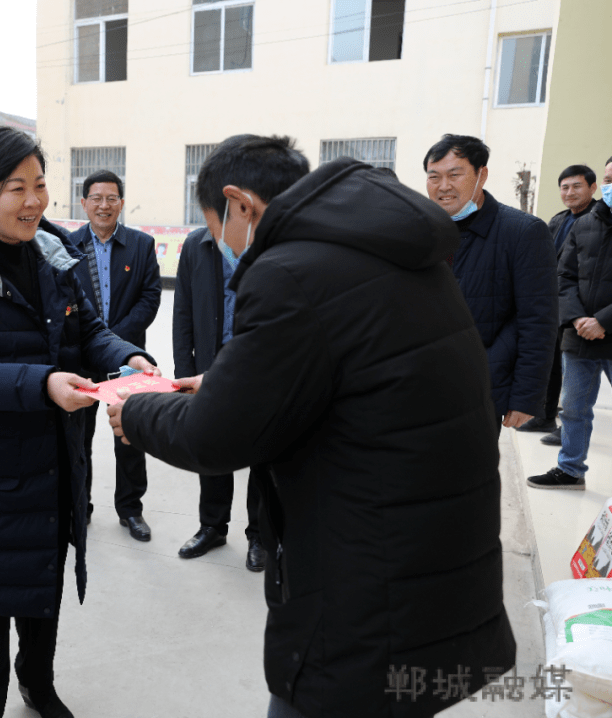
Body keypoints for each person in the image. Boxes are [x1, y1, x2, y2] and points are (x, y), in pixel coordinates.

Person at [107, 135, 516, 717]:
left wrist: (137, 409)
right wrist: (226, 383)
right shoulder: (390, 248)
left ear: (239, 204)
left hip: (366, 592)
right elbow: (348, 376)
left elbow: (213, 438)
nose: (223, 247)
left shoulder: (290, 271)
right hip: (440, 575)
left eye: (217, 228)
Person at [0, 126, 157, 718]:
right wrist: (43, 384)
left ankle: (38, 684)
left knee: (42, 585)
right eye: (15, 188)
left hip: (52, 459)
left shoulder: (54, 253)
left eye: (40, 184)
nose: (33, 201)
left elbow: (89, 330)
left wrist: (124, 356)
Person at [424, 134, 557, 432]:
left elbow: (538, 321)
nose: (443, 186)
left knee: (463, 475)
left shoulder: (522, 232)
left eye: (454, 175)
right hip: (421, 385)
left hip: (480, 387)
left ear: (481, 174)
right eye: (434, 177)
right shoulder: (422, 232)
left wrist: (526, 396)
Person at [69, 170, 161, 540]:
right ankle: (80, 507)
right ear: (84, 203)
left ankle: (131, 509)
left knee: (130, 435)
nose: (103, 205)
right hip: (79, 359)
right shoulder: (67, 245)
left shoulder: (141, 245)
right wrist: (90, 341)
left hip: (128, 359)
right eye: (96, 198)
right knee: (79, 438)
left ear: (121, 203)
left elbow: (150, 297)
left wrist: (111, 341)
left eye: (111, 198)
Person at [172, 224, 264, 570]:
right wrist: (184, 370)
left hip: (260, 362)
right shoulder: (198, 244)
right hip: (209, 363)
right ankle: (212, 526)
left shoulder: (268, 237)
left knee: (264, 451)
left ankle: (261, 535)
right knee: (211, 446)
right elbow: (182, 309)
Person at [528, 157, 612, 490]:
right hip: (579, 335)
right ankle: (570, 469)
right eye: (607, 178)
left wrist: (603, 321)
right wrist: (577, 317)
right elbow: (563, 275)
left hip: (605, 328)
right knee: (575, 409)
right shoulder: (585, 223)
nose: (609, 185)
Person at [523, 165, 601, 444]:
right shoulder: (559, 220)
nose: (569, 192)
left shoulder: (600, 220)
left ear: (593, 188)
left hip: (585, 311)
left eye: (576, 186)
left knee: (575, 373)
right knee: (551, 362)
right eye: (564, 187)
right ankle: (545, 414)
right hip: (555, 304)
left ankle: (567, 427)